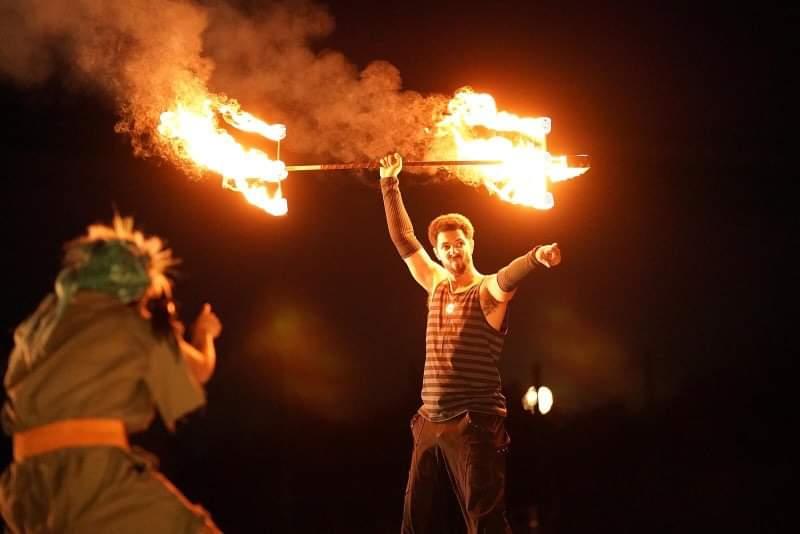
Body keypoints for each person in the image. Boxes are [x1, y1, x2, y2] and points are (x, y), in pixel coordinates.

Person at [0, 215, 222, 533]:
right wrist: (205, 334)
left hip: (26, 489)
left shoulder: (40, 325)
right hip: (92, 478)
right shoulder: (134, 326)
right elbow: (199, 369)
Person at [378, 152, 562, 533]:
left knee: (484, 520)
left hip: (473, 422)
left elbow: (507, 278)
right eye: (445, 246)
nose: (452, 250)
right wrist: (389, 183)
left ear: (471, 243)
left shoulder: (485, 290)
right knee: (415, 522)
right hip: (430, 420)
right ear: (438, 252)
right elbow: (403, 239)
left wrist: (535, 256)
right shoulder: (434, 284)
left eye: (458, 243)